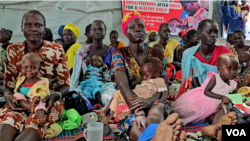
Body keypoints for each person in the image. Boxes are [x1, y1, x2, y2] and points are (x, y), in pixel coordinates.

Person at [0, 10, 70, 141]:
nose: (33, 29)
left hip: (46, 102)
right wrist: (8, 95)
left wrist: (54, 97)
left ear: (44, 28)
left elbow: (65, 85)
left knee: (34, 125)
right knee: (5, 129)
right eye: (28, 25)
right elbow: (8, 85)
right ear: (22, 28)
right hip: (19, 101)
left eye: (38, 25)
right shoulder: (12, 50)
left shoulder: (56, 49)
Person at [112, 10, 171, 141]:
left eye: (141, 26)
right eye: (132, 27)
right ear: (126, 33)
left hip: (155, 97)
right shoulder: (119, 53)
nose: (138, 29)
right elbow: (122, 84)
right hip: (130, 101)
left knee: (158, 109)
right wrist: (138, 111)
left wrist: (150, 100)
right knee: (137, 123)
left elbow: (164, 83)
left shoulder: (157, 53)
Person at [172, 53, 238, 125]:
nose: (233, 72)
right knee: (190, 113)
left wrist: (235, 101)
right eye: (229, 69)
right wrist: (223, 97)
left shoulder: (233, 84)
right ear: (219, 69)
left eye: (235, 69)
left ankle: (213, 124)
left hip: (217, 106)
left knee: (217, 117)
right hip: (205, 101)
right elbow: (206, 92)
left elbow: (235, 98)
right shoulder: (216, 78)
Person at [97, 57, 168, 123]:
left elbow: (164, 92)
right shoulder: (145, 81)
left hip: (142, 100)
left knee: (124, 107)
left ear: (156, 75)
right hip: (133, 95)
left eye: (146, 75)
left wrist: (162, 99)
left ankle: (113, 117)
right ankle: (108, 112)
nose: (143, 78)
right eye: (142, 75)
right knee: (117, 94)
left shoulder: (159, 81)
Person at [177, 19, 232, 98]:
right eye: (209, 32)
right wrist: (202, 96)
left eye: (216, 32)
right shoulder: (190, 54)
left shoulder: (224, 52)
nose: (213, 35)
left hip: (220, 94)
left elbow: (229, 77)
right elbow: (189, 81)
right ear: (199, 34)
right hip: (196, 92)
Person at [70, 20, 115, 107]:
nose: (97, 32)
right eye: (94, 30)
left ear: (105, 32)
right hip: (86, 84)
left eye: (100, 30)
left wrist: (107, 78)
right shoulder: (82, 51)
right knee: (76, 98)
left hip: (105, 85)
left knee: (108, 98)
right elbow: (76, 73)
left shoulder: (112, 51)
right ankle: (92, 106)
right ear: (90, 32)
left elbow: (116, 72)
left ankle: (101, 109)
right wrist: (82, 78)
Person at [12, 53, 50, 127]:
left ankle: (41, 119)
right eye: (25, 67)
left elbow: (44, 92)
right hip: (23, 101)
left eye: (33, 67)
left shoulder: (42, 81)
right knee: (16, 95)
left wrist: (38, 97)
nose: (29, 70)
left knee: (41, 103)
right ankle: (29, 107)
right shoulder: (21, 79)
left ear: (39, 69)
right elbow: (17, 91)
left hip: (34, 101)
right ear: (21, 68)